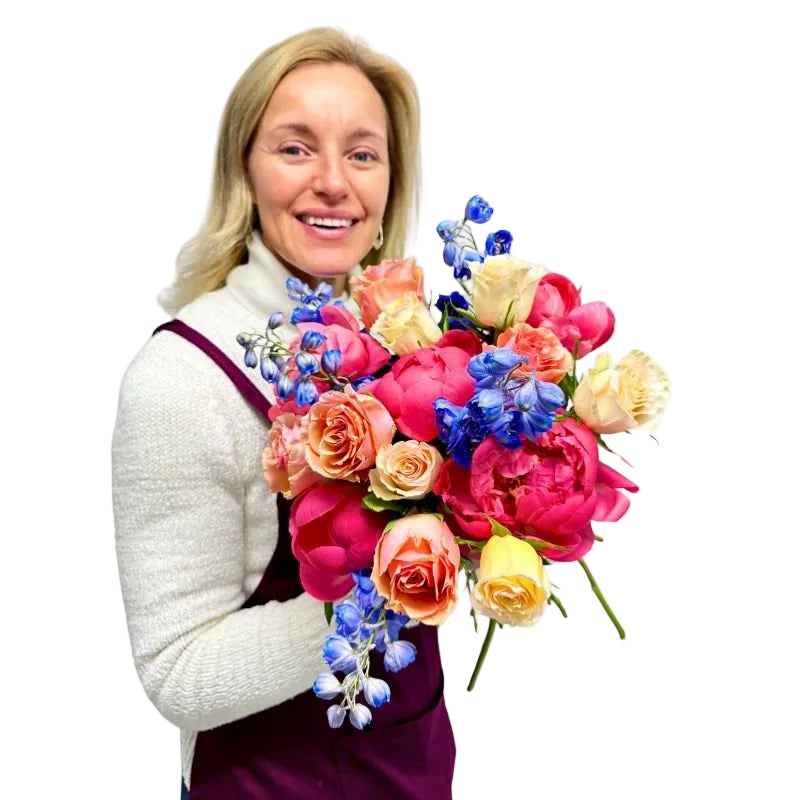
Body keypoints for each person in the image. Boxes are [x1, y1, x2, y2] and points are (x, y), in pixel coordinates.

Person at [111, 26, 456, 800]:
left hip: (409, 772)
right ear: (245, 171)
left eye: (362, 154)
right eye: (296, 149)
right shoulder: (183, 379)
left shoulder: (408, 344)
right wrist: (384, 586)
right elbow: (177, 670)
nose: (333, 182)